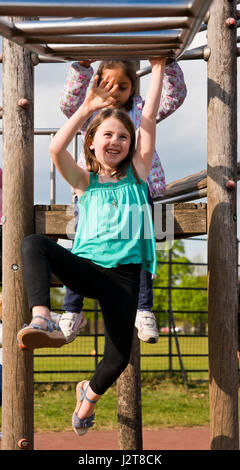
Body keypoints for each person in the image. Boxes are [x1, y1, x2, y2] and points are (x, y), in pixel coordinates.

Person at [17, 57, 166, 435]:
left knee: (118, 358)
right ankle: (41, 317)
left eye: (123, 137)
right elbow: (54, 149)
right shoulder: (86, 182)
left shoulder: (139, 175)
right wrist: (88, 106)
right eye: (108, 136)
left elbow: (146, 122)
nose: (115, 141)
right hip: (87, 269)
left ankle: (88, 395)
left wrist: (159, 67)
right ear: (92, 142)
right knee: (34, 243)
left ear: (132, 146)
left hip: (124, 278)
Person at [54, 58, 187, 344]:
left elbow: (169, 99)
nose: (114, 91)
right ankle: (72, 310)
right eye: (107, 84)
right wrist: (81, 67)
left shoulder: (138, 110)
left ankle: (142, 308)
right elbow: (68, 105)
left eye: (122, 86)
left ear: (133, 89)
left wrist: (162, 65)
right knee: (84, 244)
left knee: (138, 244)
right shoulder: (92, 114)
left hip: (135, 189)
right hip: (95, 192)